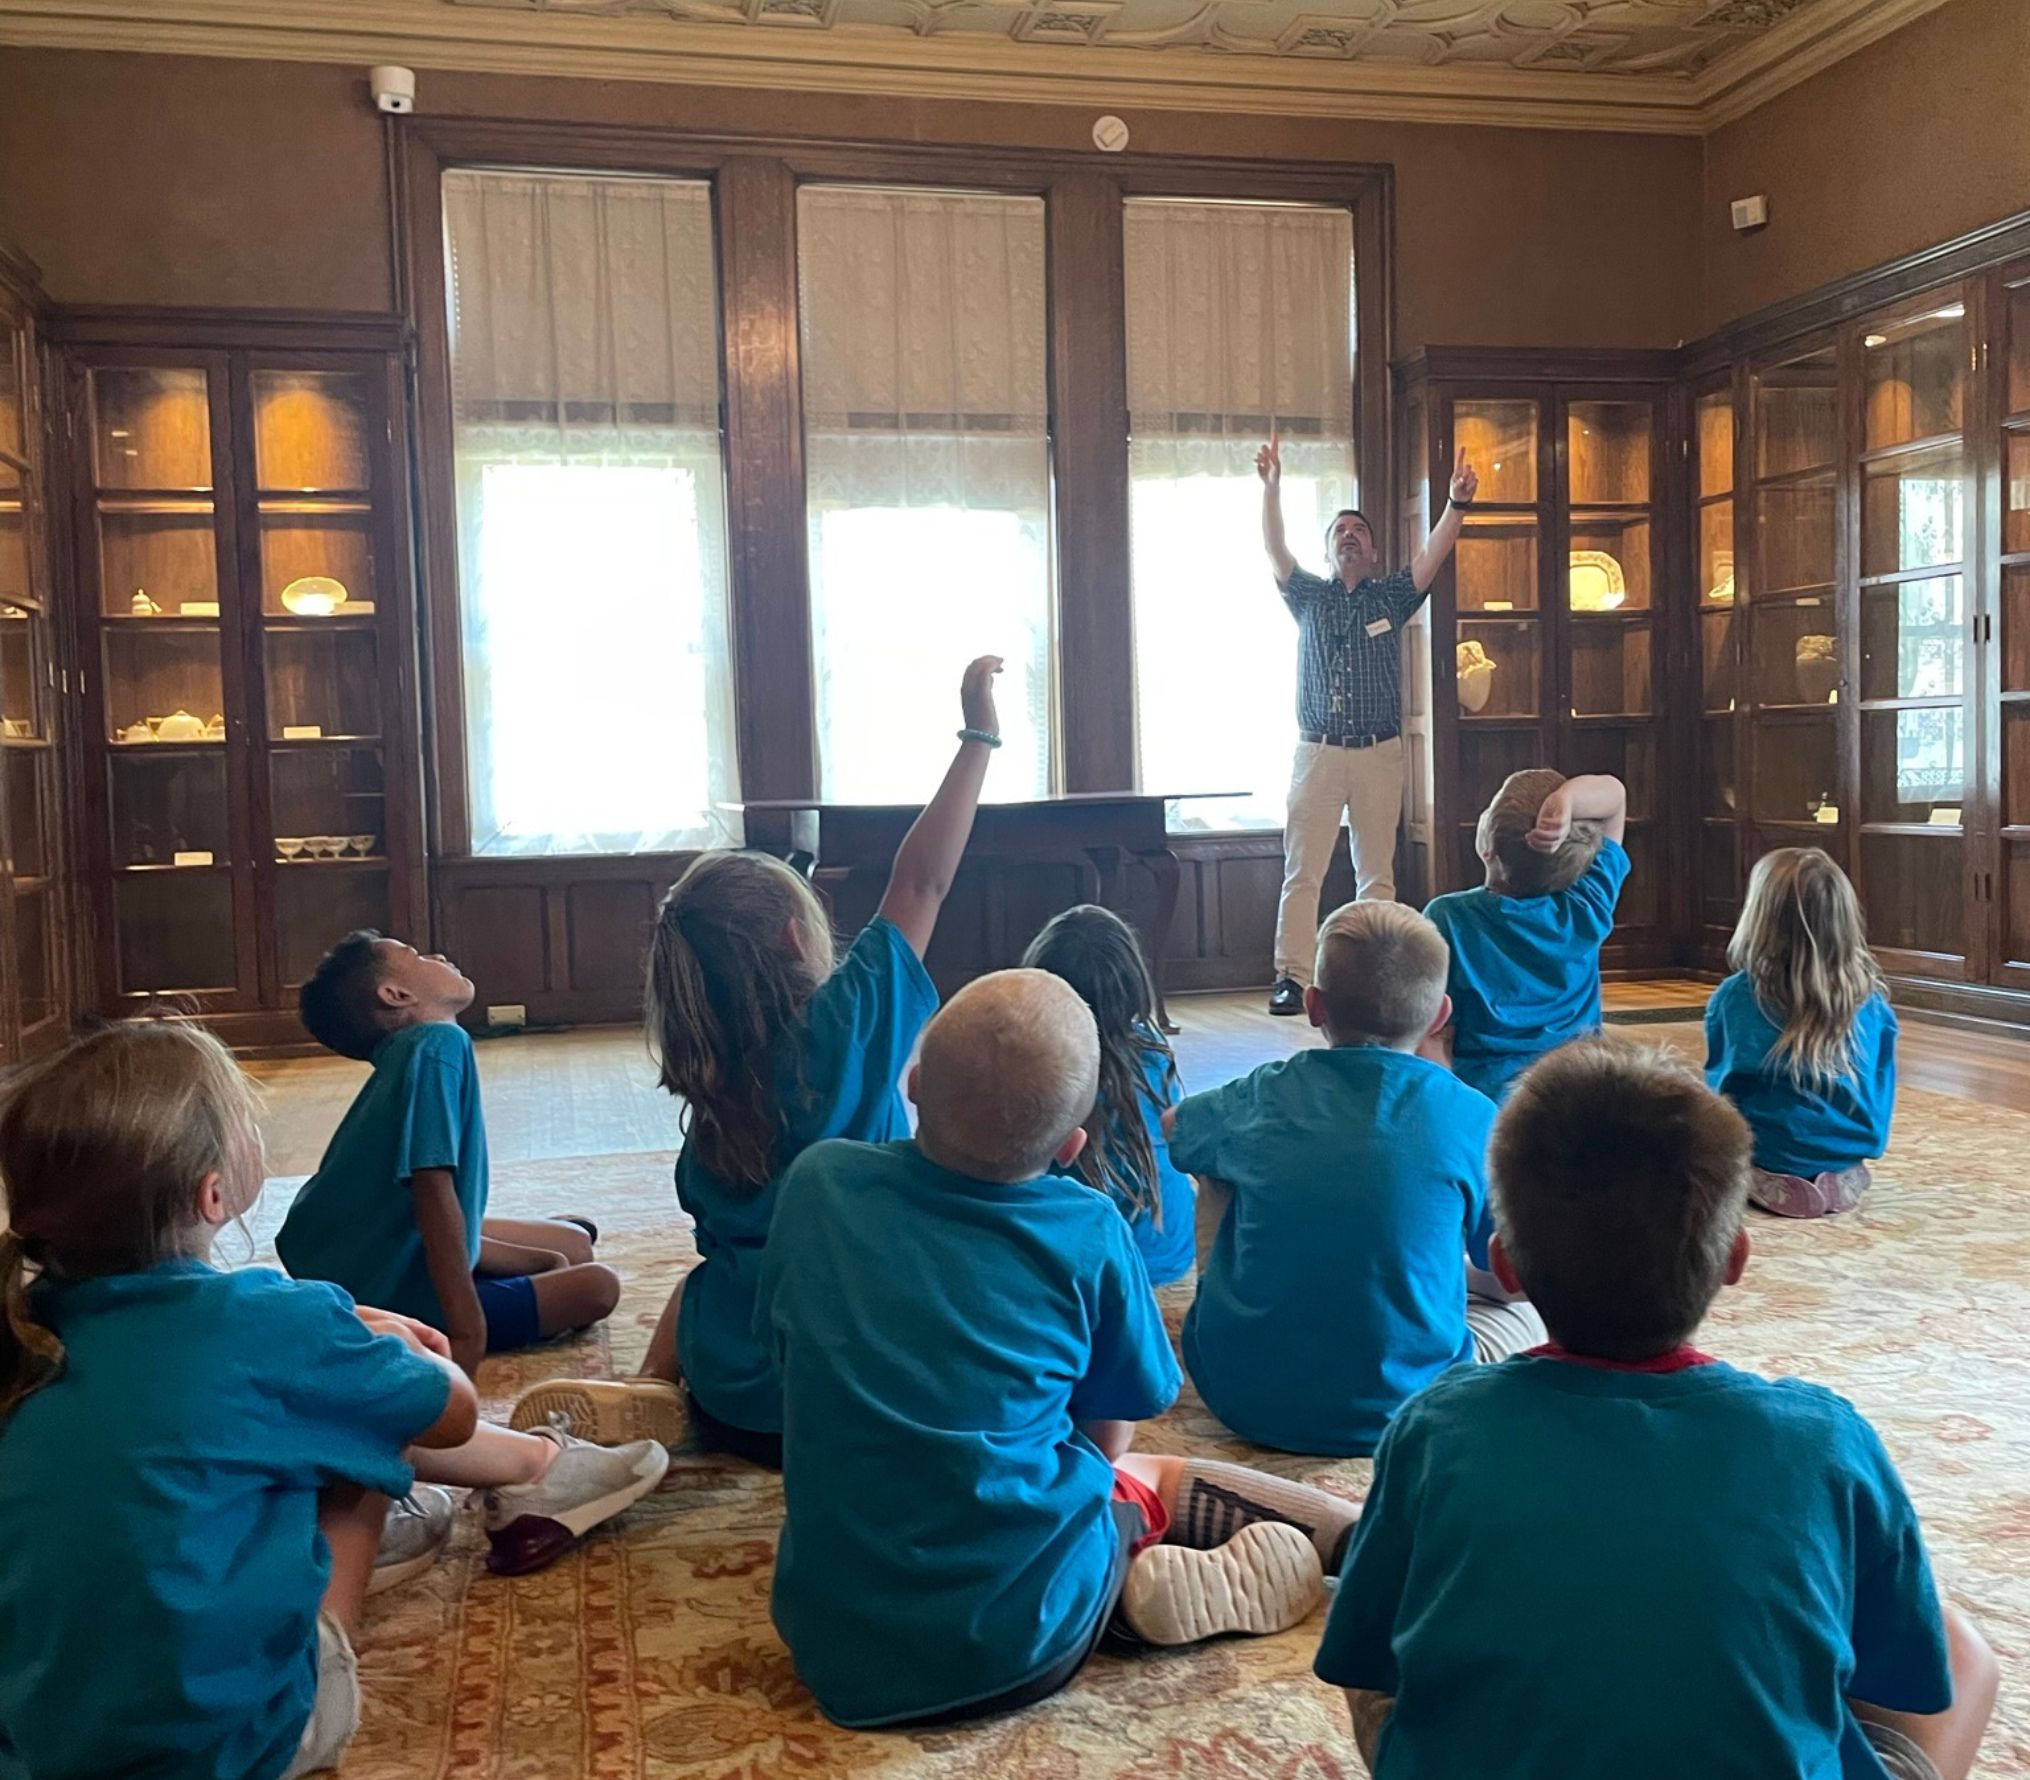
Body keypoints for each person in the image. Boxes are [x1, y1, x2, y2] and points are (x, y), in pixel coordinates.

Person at [0, 1022, 670, 1780]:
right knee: (362, 1412)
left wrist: (346, 1335)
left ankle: (530, 1469)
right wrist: (405, 1344)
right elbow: (441, 1410)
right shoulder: (271, 1323)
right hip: (237, 1743)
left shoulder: (24, 1337)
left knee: (273, 1413)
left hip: (37, 1748)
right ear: (213, 1194)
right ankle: (537, 1470)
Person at [1315, 1042, 1999, 1780]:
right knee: (1964, 1653)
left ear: (1505, 1264)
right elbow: (1893, 1676)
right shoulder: (1826, 1441)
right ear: (1736, 1258)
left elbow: (1367, 1657)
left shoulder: (1434, 1428)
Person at [757, 970, 1363, 1729]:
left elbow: (786, 1357)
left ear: (914, 1084)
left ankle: (1121, 1588)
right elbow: (1120, 1419)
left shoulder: (817, 1186)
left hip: (834, 1641)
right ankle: (1356, 1541)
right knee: (1145, 1469)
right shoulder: (1088, 1229)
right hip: (1024, 1647)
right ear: (1074, 1145)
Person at [510, 657, 1005, 1464]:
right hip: (854, 1399)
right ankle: (646, 1403)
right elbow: (923, 880)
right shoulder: (850, 1026)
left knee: (703, 1283)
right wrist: (979, 733)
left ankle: (647, 1391)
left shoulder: (713, 1088)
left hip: (735, 1395)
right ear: (791, 936)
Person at [1164, 899, 1541, 1458]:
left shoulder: (1265, 1092)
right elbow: (1513, 1271)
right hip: (1414, 1404)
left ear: (1313, 1006)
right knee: (1529, 1310)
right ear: (1440, 1015)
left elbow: (1176, 1128)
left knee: (1219, 1164)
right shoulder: (1472, 1115)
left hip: (1241, 1394)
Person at [277, 933, 622, 1376]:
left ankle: (520, 1269)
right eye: (415, 955)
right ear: (395, 995)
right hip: (379, 1292)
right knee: (598, 1287)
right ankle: (462, 1303)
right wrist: (465, 1329)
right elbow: (431, 1195)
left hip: (357, 1253)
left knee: (574, 1244)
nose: (437, 956)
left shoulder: (416, 1049)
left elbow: (415, 1215)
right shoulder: (437, 1046)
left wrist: (538, 1261)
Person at [1256, 432, 1479, 1016]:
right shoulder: (1307, 597)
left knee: (1376, 872)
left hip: (1379, 752)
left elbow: (1431, 557)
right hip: (1318, 753)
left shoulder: (1392, 598)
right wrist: (1272, 488)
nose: (1349, 535)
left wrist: (1456, 505)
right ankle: (1291, 977)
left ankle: (1374, 979)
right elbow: (1275, 548)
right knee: (1302, 872)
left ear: (1375, 553)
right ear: (1329, 552)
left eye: (1359, 531)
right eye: (1339, 532)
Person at [1706, 847, 1898, 1219]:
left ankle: (1776, 1182)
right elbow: (1882, 1085)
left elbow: (1723, 1085)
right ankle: (1836, 1176)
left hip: (1774, 1150)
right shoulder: (1872, 1003)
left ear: (1759, 919)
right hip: (1849, 1143)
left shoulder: (1737, 997)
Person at [1423, 768, 1629, 1103]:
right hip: (1581, 1094)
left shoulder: (1448, 917)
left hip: (1486, 1101)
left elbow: (1434, 1034)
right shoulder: (1587, 906)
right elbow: (1615, 797)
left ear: (1488, 846)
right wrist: (1568, 800)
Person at [1019, 904, 1194, 1286]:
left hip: (1085, 1269)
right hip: (1170, 1252)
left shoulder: (1034, 1065)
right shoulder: (1153, 1047)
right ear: (1133, 985)